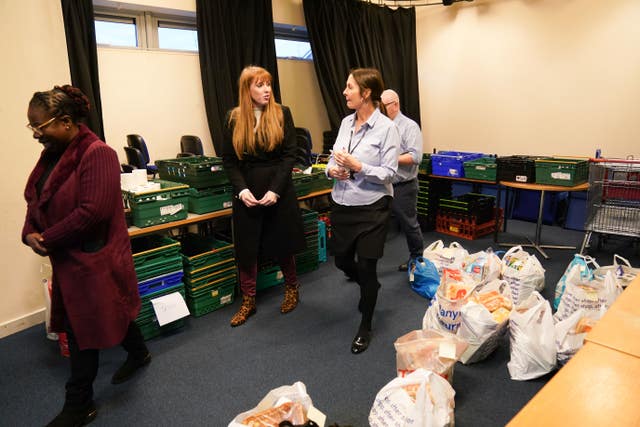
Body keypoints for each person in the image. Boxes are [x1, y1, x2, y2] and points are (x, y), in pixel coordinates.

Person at [22, 85, 150, 426]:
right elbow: (37, 199)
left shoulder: (99, 154)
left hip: (96, 259)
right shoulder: (54, 154)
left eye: (39, 126)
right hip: (70, 257)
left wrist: (46, 237)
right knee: (111, 313)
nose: (35, 134)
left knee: (84, 330)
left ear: (65, 122)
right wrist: (28, 233)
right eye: (31, 126)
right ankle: (139, 353)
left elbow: (91, 213)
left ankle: (79, 404)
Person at [222, 66, 306, 327]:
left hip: (277, 188)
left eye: (268, 84)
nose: (267, 89)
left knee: (283, 244)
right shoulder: (233, 118)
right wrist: (242, 190)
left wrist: (275, 191)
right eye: (260, 85)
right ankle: (248, 300)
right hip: (247, 190)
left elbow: (290, 155)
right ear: (247, 89)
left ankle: (292, 288)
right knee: (247, 249)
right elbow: (229, 160)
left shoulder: (282, 113)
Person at [326, 68, 400, 354]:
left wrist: (358, 167)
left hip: (373, 208)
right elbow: (334, 158)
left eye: (350, 88)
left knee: (368, 266)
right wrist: (334, 170)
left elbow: (390, 173)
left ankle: (366, 325)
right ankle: (370, 287)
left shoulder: (387, 129)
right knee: (342, 262)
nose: (345, 92)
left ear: (366, 93)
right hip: (343, 203)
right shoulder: (346, 122)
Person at [380, 89, 425, 271]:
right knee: (374, 224)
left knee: (409, 224)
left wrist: (389, 158)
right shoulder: (381, 127)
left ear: (395, 105)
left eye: (383, 107)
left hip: (403, 186)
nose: (380, 110)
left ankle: (417, 260)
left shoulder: (409, 126)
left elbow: (415, 156)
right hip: (383, 184)